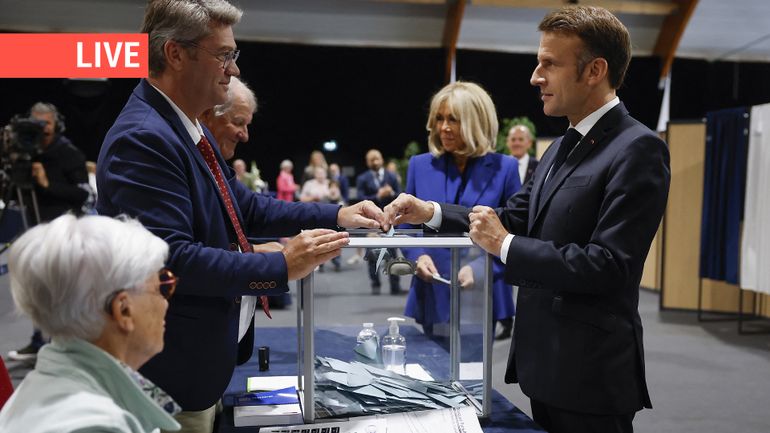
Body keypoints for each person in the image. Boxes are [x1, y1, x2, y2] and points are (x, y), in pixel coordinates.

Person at [96, 1, 383, 432]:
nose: (232, 70)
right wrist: (282, 265)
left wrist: (338, 213)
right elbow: (172, 259)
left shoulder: (182, 127)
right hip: (167, 379)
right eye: (224, 55)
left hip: (196, 365)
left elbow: (244, 207)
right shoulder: (144, 138)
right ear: (175, 54)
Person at [384, 6, 670, 433]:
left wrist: (504, 245)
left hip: (589, 375)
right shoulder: (558, 147)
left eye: (549, 64)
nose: (536, 77)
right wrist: (431, 212)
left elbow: (610, 265)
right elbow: (512, 215)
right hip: (544, 367)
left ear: (594, 70)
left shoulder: (637, 148)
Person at [0, 214, 181, 433]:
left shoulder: (47, 386)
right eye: (160, 288)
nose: (165, 303)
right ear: (123, 309)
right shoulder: (96, 425)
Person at [400, 81, 519, 338]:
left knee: (475, 373)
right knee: (432, 370)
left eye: (453, 119)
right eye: (439, 118)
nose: (443, 127)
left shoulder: (505, 168)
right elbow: (405, 227)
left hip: (481, 292)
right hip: (431, 288)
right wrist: (418, 256)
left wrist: (479, 269)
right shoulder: (419, 165)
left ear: (477, 121)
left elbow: (514, 231)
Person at [7, 101, 91, 362]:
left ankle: (69, 346)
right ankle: (37, 340)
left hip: (63, 234)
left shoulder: (69, 154)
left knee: (64, 291)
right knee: (37, 285)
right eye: (35, 124)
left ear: (57, 126)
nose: (40, 130)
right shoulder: (25, 153)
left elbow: (83, 195)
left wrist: (46, 183)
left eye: (46, 124)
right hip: (34, 228)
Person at [356, 149, 402, 295]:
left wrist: (392, 193)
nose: (375, 162)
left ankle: (395, 286)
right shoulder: (362, 178)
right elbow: (360, 199)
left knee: (393, 255)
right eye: (371, 159)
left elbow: (400, 196)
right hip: (371, 223)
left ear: (382, 159)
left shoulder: (392, 176)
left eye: (377, 158)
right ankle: (375, 284)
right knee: (372, 255)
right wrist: (378, 195)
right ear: (367, 162)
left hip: (390, 222)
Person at [199, 76, 255, 161]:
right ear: (206, 113)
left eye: (246, 125)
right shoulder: (178, 156)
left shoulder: (217, 167)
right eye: (238, 123)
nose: (245, 137)